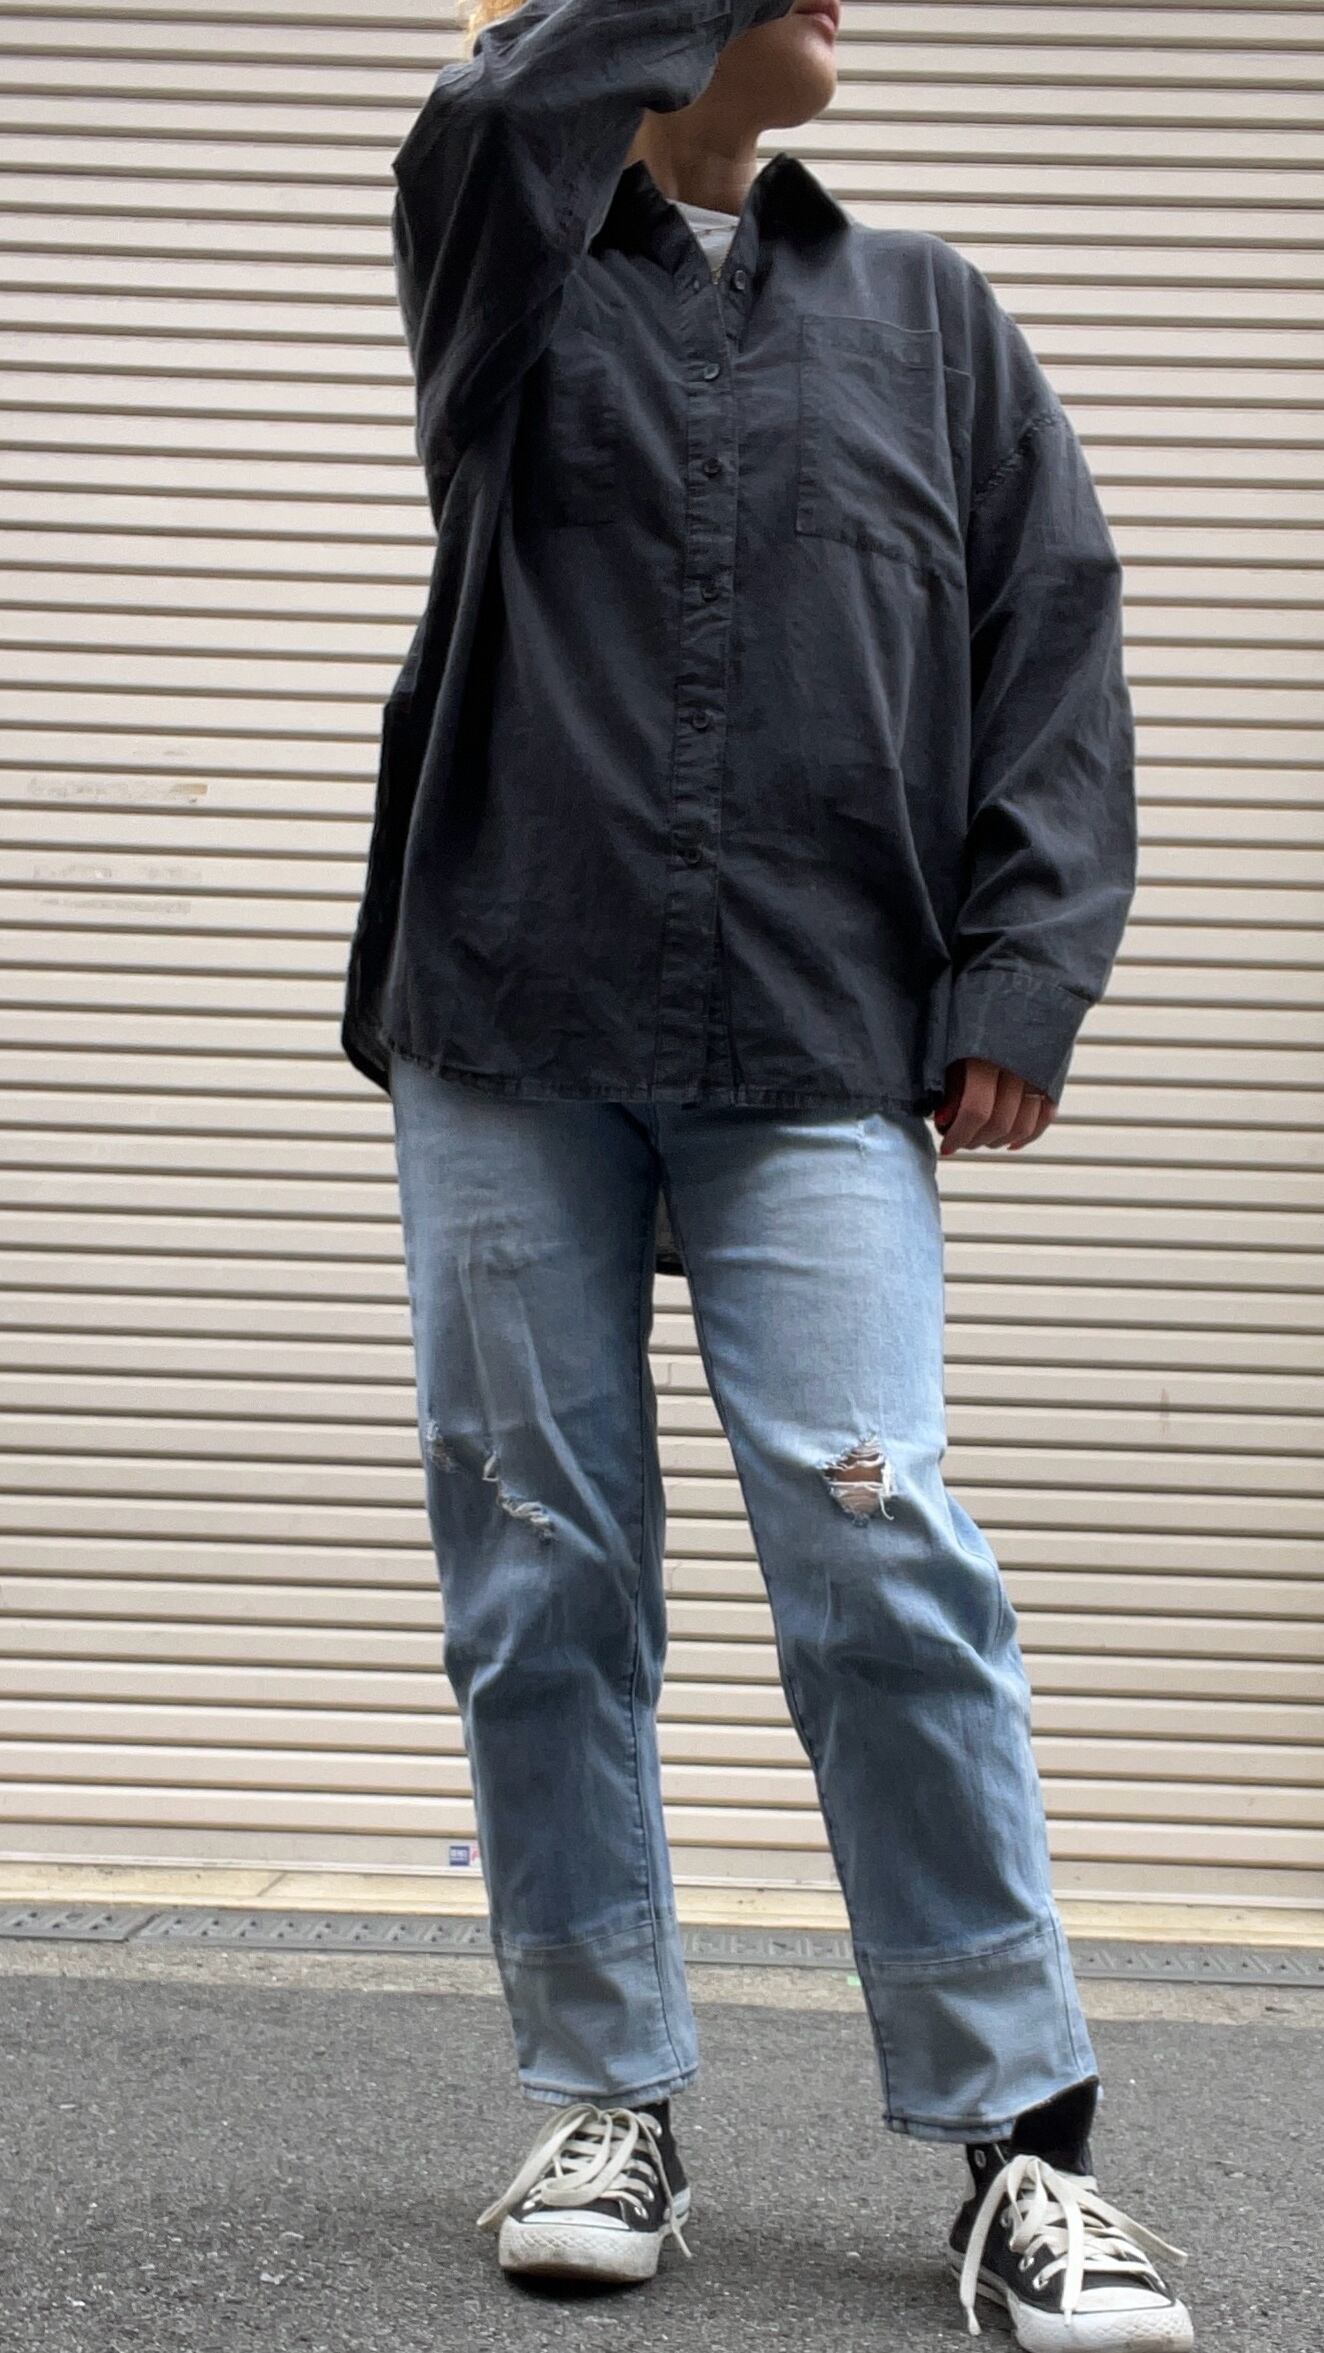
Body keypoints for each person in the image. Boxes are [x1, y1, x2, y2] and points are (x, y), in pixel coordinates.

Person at [344, 0, 1197, 2344]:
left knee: (879, 1549)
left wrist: (1019, 968)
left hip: (818, 1027)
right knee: (539, 1576)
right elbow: (496, 102)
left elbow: (1049, 636)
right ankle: (604, 2089)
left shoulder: (925, 315)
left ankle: (1019, 2146)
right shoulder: (502, 244)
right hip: (507, 1009)